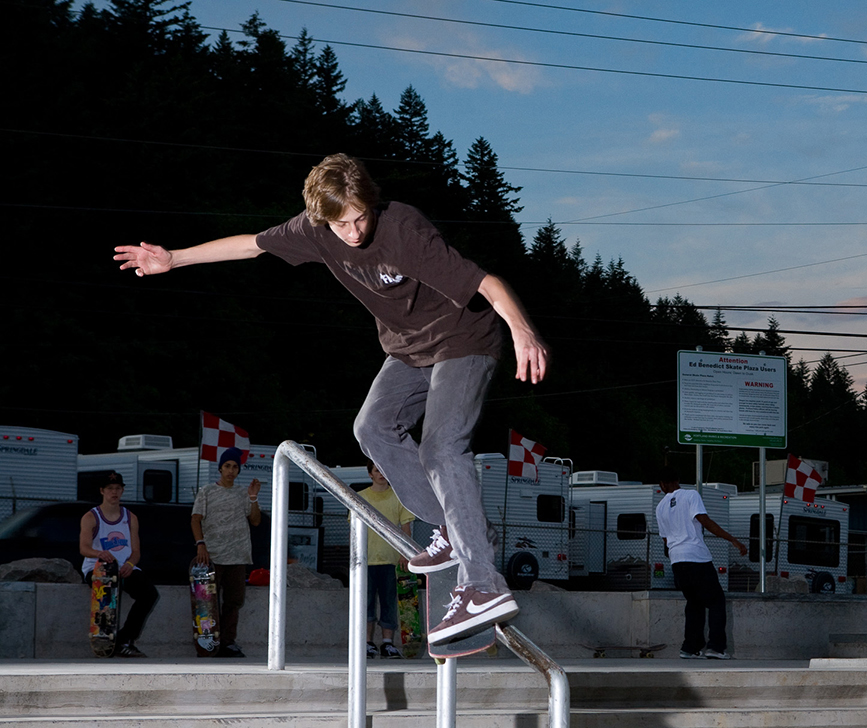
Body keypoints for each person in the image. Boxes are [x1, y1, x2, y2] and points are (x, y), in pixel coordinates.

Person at [116, 153, 548, 648]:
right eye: (342, 223)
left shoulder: (404, 231)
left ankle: (483, 582)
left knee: (440, 447)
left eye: (361, 217)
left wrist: (523, 332)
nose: (354, 231)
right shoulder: (314, 230)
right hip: (408, 349)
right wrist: (174, 258)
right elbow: (251, 246)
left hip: (464, 339)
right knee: (372, 428)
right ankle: (451, 527)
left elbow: (486, 284)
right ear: (323, 219)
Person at [655, 467, 747, 659]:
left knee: (694, 603)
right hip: (696, 557)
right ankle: (716, 647)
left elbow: (665, 539)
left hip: (677, 560)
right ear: (677, 479)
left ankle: (690, 647)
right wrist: (732, 539)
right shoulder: (690, 495)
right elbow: (704, 520)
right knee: (716, 601)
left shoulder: (660, 507)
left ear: (662, 485)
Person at [78, 470, 159, 657]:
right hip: (98, 567)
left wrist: (130, 564)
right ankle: (104, 638)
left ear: (122, 491)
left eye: (117, 488)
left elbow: (136, 551)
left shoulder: (130, 517)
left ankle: (124, 639)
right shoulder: (91, 517)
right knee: (107, 589)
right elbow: (84, 548)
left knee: (149, 594)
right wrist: (101, 554)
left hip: (124, 567)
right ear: (102, 491)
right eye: (110, 489)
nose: (114, 493)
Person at [192, 447, 261, 657]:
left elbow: (256, 521)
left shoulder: (242, 493)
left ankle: (228, 642)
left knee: (233, 601)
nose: (231, 471)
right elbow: (196, 519)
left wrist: (253, 498)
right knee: (207, 601)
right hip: (212, 555)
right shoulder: (207, 491)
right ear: (221, 468)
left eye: (235, 467)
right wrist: (200, 544)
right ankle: (206, 639)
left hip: (237, 555)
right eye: (227, 466)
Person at [358, 460, 414, 659]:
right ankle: (366, 643)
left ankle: (388, 644)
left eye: (383, 470)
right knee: (366, 604)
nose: (381, 473)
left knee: (389, 603)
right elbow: (354, 530)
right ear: (370, 474)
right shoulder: (361, 497)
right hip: (366, 560)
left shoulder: (398, 498)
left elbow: (405, 527)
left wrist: (404, 553)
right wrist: (355, 557)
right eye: (376, 470)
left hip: (391, 561)